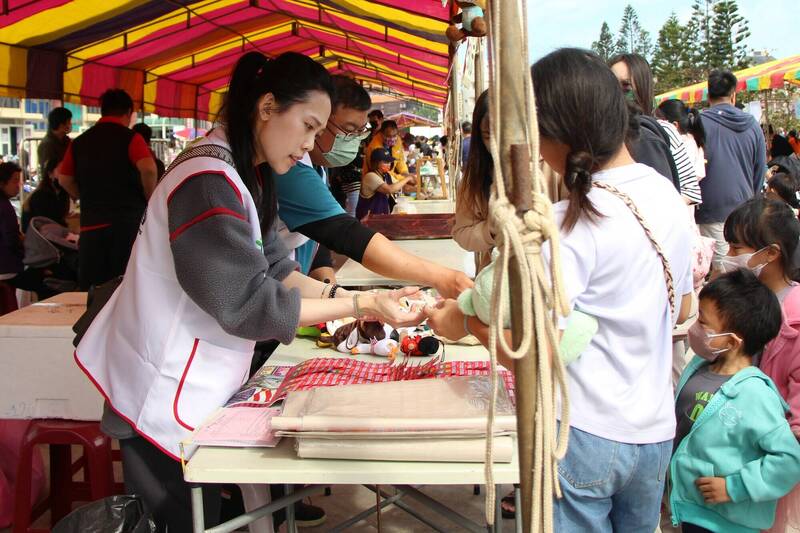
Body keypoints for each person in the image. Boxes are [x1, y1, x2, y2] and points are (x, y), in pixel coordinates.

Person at [74, 51, 424, 533]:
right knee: (179, 519)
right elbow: (246, 303)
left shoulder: (247, 174)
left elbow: (278, 271)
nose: (308, 145)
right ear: (266, 107)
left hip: (192, 379)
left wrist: (356, 300)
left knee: (206, 512)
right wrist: (363, 303)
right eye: (306, 125)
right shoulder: (206, 180)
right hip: (157, 384)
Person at [425, 48, 695, 532]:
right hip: (655, 433)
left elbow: (536, 354)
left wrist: (463, 323)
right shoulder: (666, 196)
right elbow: (682, 308)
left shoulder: (565, 226)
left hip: (582, 434)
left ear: (555, 132)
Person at [272, 74, 472, 296]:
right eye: (348, 130)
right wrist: (442, 277)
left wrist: (333, 291)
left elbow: (315, 235)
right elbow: (343, 232)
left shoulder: (316, 166)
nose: (354, 140)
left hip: (287, 286)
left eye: (360, 132)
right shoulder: (289, 169)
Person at [670, 269, 800, 533]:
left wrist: (735, 487)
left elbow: (790, 459)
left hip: (727, 521)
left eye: (703, 322)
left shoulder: (756, 394)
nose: (695, 328)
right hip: (687, 508)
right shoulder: (698, 366)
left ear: (731, 341)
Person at [722, 198, 800, 532]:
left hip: (768, 462)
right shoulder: (738, 298)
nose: (729, 253)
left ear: (770, 253)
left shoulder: (794, 322)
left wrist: (774, 461)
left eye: (736, 246)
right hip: (732, 444)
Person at [56, 89, 158, 290]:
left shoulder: (80, 142)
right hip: (127, 227)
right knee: (126, 289)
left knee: (93, 293)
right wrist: (150, 198)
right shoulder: (131, 138)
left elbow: (64, 178)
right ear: (128, 112)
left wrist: (82, 194)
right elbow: (148, 168)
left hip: (91, 229)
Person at [695, 69, 766, 273]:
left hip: (710, 209)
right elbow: (759, 170)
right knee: (742, 272)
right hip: (744, 210)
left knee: (722, 272)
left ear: (708, 96)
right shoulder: (752, 125)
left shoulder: (698, 124)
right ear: (734, 95)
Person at [610, 54, 701, 205]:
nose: (618, 94)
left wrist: (658, 210)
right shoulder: (601, 134)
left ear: (642, 89)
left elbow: (691, 190)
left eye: (626, 87)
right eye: (612, 86)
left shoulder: (664, 131)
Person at [452, 90, 495, 272]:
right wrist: (491, 230)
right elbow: (462, 232)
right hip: (495, 278)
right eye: (488, 136)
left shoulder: (550, 166)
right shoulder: (476, 176)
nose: (498, 144)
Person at [657, 99, 707, 187]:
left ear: (674, 125)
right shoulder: (692, 140)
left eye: (659, 120)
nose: (655, 123)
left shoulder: (682, 145)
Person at [356, 147, 412, 219]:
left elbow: (401, 186)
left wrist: (419, 189)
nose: (389, 164)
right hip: (368, 221)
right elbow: (389, 189)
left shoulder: (386, 176)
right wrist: (408, 178)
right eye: (385, 162)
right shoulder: (370, 176)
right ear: (376, 163)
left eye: (389, 162)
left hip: (380, 219)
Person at [21, 158, 70, 232]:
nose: (64, 175)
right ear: (50, 174)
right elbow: (48, 225)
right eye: (61, 171)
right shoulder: (41, 196)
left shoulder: (62, 194)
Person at [37, 106, 72, 179]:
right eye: (69, 121)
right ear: (61, 124)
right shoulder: (47, 145)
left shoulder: (66, 141)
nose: (70, 124)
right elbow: (48, 173)